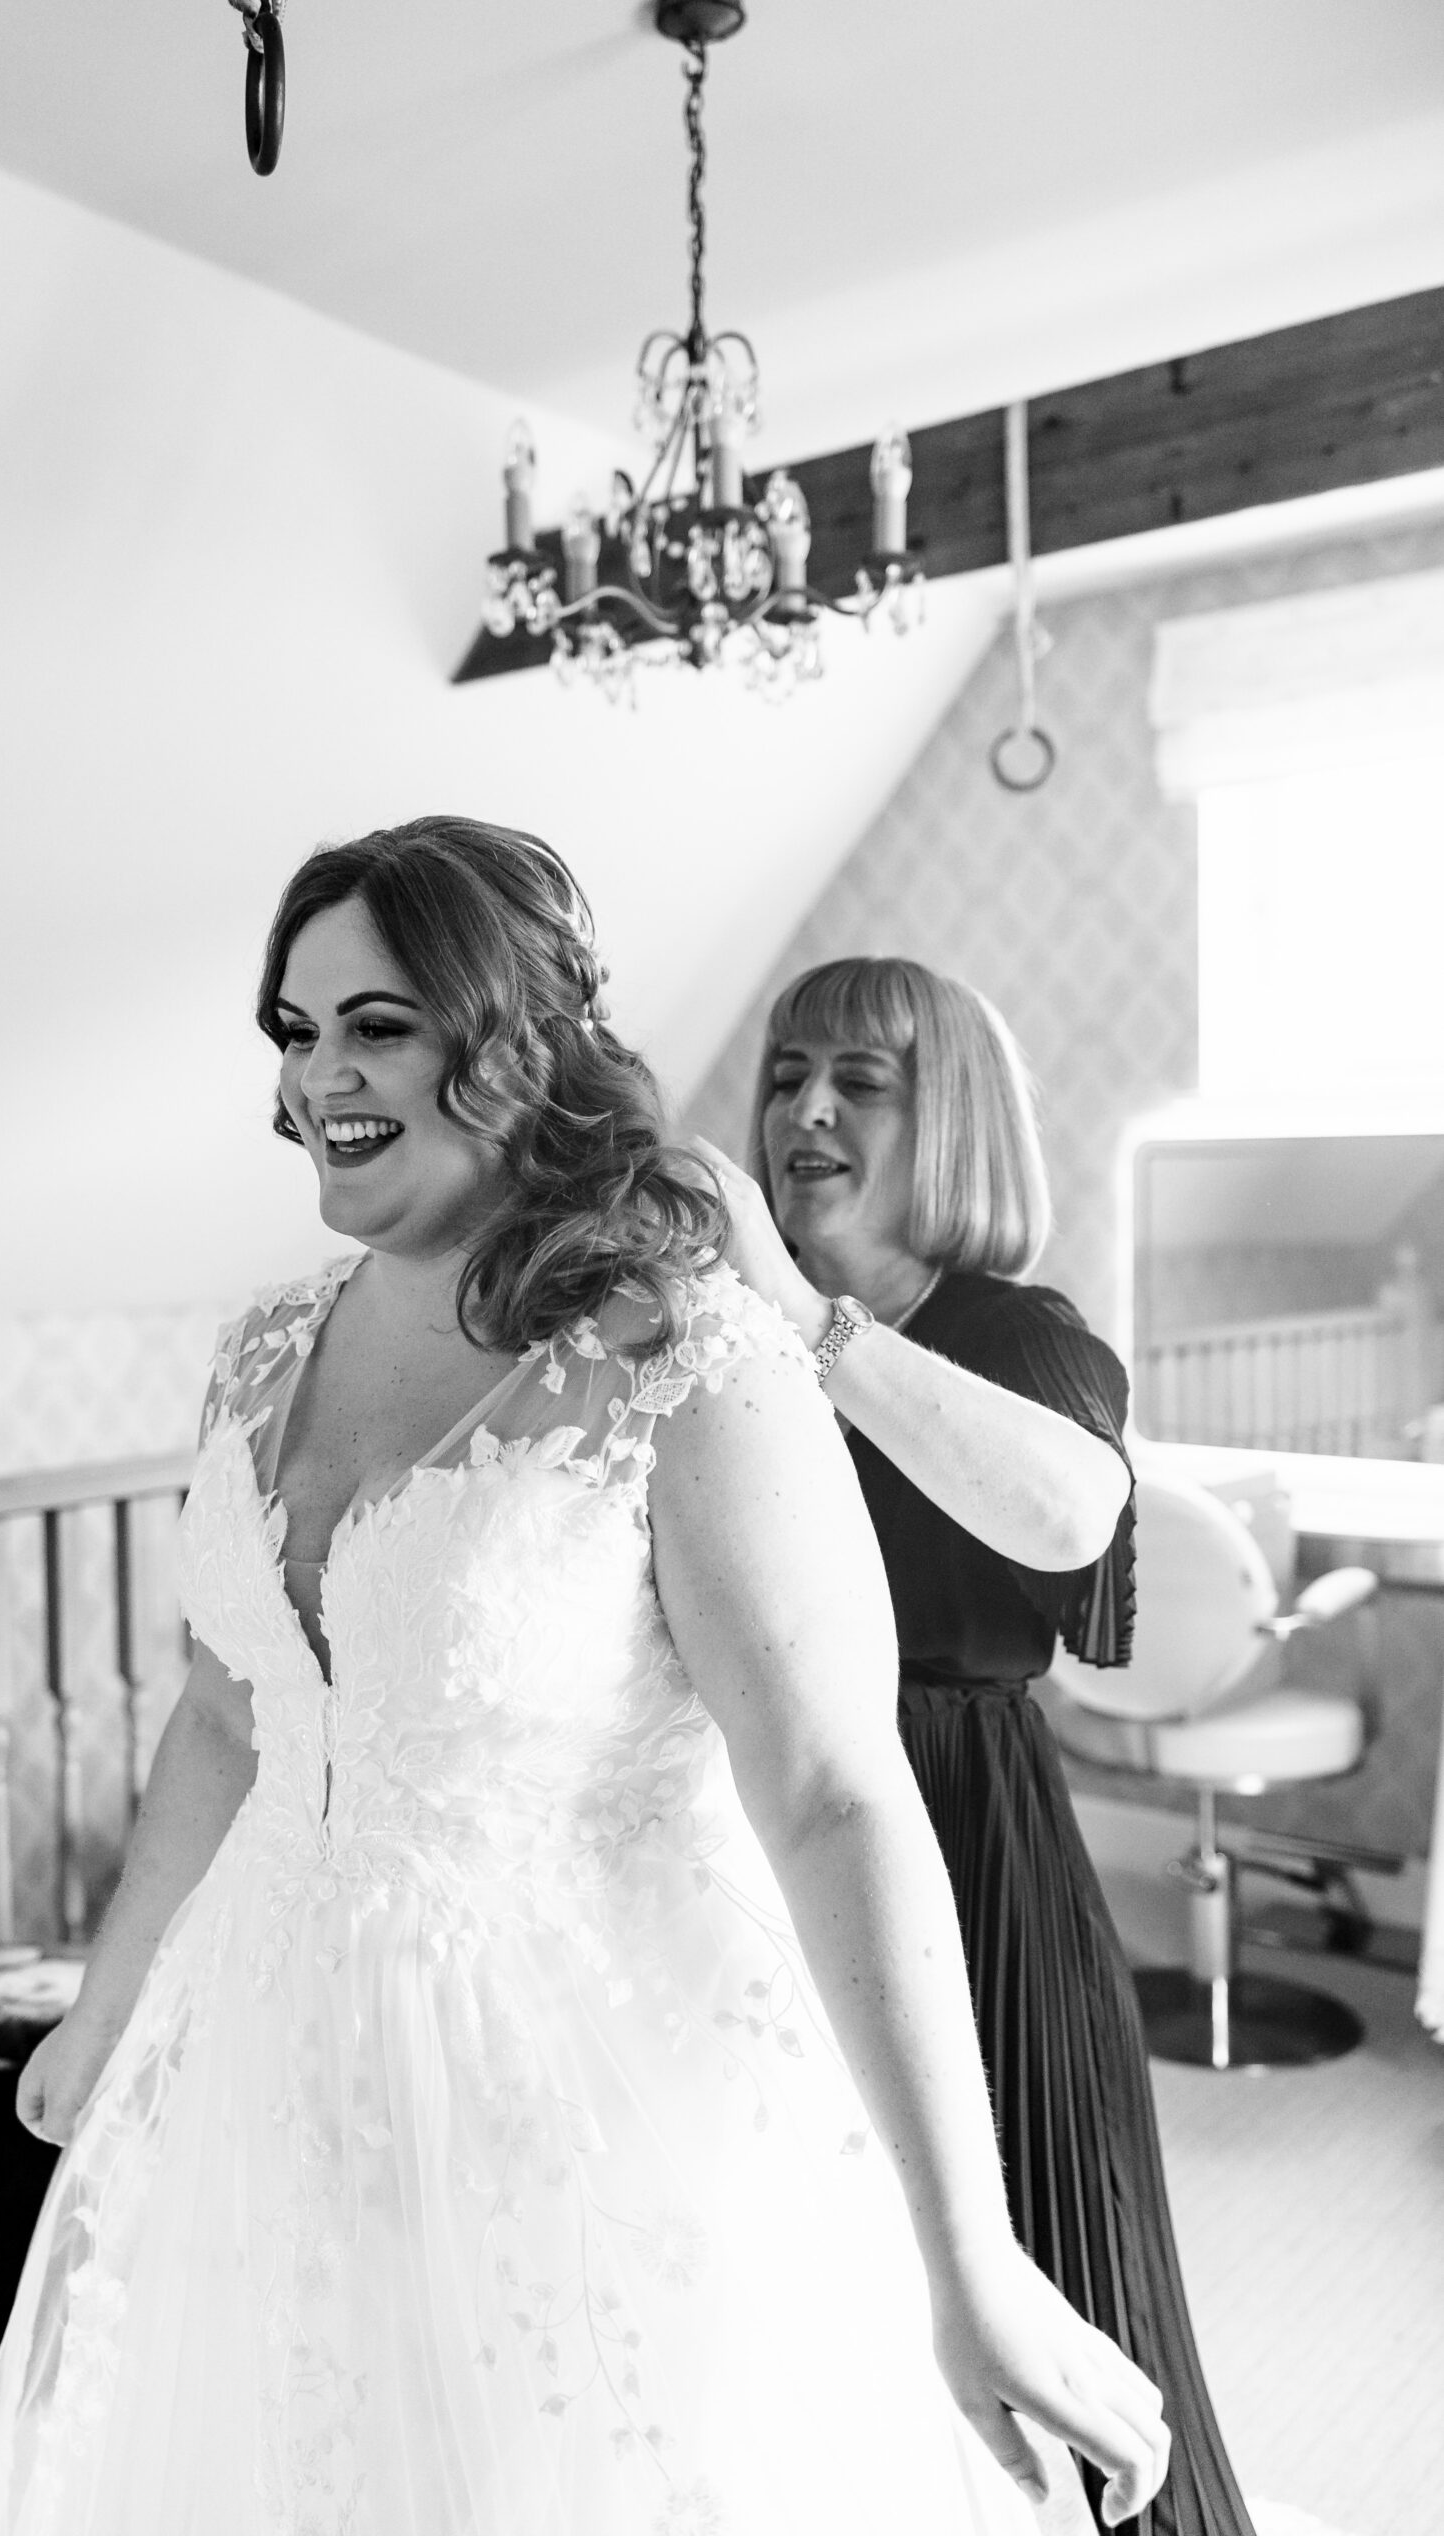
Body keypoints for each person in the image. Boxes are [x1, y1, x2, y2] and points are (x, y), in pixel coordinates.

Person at [0, 825, 1167, 2536]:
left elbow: (830, 1786)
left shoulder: (686, 1351)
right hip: (268, 2062)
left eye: (375, 1024)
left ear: (509, 1034)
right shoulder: (260, 1350)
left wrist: (967, 2253)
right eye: (294, 1034)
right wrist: (111, 1996)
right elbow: (230, 1711)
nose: (319, 1080)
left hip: (578, 2108)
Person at [699, 954, 1251, 2536]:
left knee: (1046, 2256)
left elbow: (1070, 1514)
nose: (803, 1112)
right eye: (789, 1073)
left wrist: (813, 1319)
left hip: (965, 1838)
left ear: (948, 1119)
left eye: (858, 1083)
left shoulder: (1020, 1336)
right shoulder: (710, 1332)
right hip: (747, 1835)